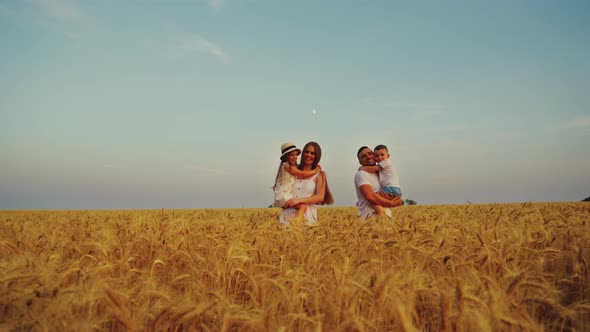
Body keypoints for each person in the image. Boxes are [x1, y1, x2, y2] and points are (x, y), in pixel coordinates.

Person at [279, 141, 334, 226]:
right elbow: (283, 185)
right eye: (306, 152)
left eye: (313, 153)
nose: (309, 155)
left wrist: (298, 200)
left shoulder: (320, 175)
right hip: (287, 216)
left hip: (307, 218)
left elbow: (320, 197)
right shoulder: (293, 170)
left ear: (317, 156)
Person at [273, 142, 321, 219]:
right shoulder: (286, 166)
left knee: (301, 207)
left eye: (296, 155)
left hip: (283, 196)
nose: (294, 157)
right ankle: (296, 226)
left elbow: (298, 169)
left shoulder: (291, 167)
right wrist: (315, 171)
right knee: (303, 207)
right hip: (283, 196)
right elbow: (302, 174)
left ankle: (294, 225)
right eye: (291, 155)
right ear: (286, 157)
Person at [354, 146, 403, 220]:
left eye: (370, 153)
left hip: (386, 218)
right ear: (360, 162)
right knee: (373, 201)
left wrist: (396, 201)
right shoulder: (361, 174)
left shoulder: (380, 174)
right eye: (364, 156)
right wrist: (390, 203)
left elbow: (399, 200)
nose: (368, 157)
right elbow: (370, 196)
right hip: (370, 218)